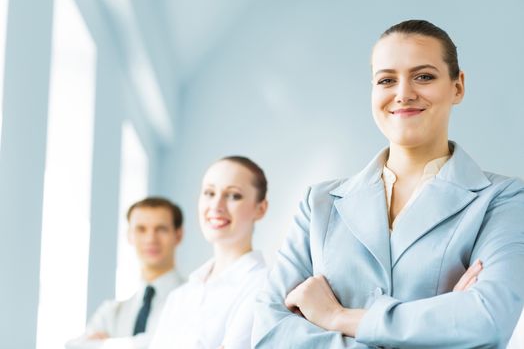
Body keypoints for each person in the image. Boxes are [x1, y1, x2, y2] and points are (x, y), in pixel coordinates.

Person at [252, 19, 524, 348]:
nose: (404, 93)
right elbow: (268, 332)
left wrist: (338, 317)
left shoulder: (503, 199)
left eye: (423, 76)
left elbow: (488, 320)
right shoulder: (319, 203)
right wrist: (440, 324)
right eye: (386, 80)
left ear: (458, 86)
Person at [150, 156, 269, 349]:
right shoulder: (180, 296)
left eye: (233, 195)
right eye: (209, 193)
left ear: (261, 208)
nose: (216, 206)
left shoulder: (263, 287)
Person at [66, 197, 185, 349]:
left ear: (178, 235)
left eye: (161, 229)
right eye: (141, 229)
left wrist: (103, 344)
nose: (150, 238)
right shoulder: (111, 312)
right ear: (129, 235)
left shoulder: (193, 300)